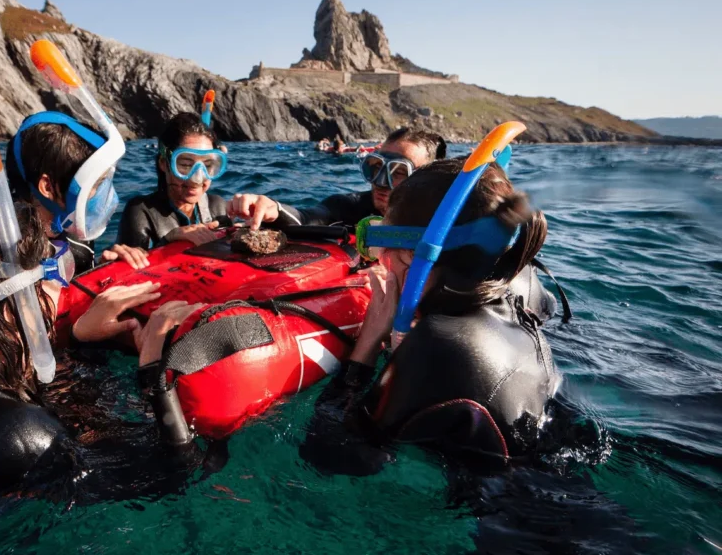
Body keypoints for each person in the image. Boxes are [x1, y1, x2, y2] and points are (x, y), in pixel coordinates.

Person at [0, 186, 204, 503]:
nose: (58, 292)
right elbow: (174, 475)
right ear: (2, 306)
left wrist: (74, 338)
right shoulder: (23, 436)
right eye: (45, 279)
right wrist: (156, 377)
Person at [300, 157, 559, 472]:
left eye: (378, 245)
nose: (380, 262)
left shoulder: (437, 343)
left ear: (413, 255)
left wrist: (365, 348)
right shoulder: (507, 288)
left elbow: (332, 457)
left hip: (513, 512)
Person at [5, 110, 149, 270]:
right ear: (48, 187)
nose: (100, 193)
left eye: (103, 183)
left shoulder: (75, 232)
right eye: (93, 185)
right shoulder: (5, 251)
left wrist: (105, 269)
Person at [227, 127, 447, 229]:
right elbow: (307, 218)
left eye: (398, 172)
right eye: (375, 167)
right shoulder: (349, 207)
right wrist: (275, 209)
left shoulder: (441, 221)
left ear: (424, 180)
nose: (379, 181)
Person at [115, 112, 230, 251]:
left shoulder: (218, 207)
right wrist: (169, 240)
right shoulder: (141, 212)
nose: (197, 178)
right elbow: (129, 266)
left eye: (207, 165)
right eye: (186, 165)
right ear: (164, 163)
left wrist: (261, 221)